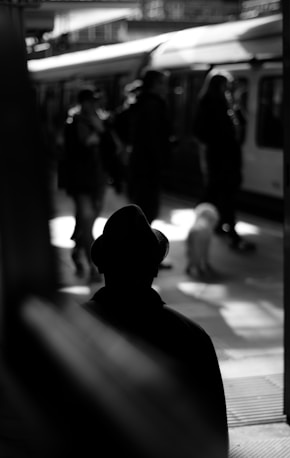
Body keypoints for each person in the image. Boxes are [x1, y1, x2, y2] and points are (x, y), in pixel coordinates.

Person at [82, 204, 229, 457]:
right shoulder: (192, 338)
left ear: (101, 266)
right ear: (155, 268)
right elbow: (215, 436)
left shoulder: (70, 327)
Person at [193, 69, 255, 252]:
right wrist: (217, 142)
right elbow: (201, 131)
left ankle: (220, 225)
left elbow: (242, 122)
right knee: (225, 193)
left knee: (218, 192)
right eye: (227, 85)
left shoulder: (226, 103)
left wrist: (235, 102)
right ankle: (232, 234)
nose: (229, 89)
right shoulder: (211, 104)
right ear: (220, 85)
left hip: (224, 157)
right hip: (221, 157)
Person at [61, 87, 110, 282]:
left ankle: (77, 248)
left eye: (95, 101)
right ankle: (93, 265)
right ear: (81, 103)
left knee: (88, 217)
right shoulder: (72, 124)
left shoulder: (102, 121)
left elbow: (110, 149)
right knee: (88, 218)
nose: (93, 105)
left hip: (98, 179)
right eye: (89, 102)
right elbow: (70, 153)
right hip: (80, 180)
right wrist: (88, 141)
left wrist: (101, 131)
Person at [127, 69, 171, 226]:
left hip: (139, 164)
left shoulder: (140, 103)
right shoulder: (154, 106)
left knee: (141, 207)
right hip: (149, 167)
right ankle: (141, 247)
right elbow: (154, 138)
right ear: (155, 84)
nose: (167, 88)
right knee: (147, 210)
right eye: (164, 84)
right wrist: (163, 160)